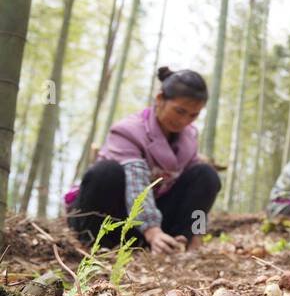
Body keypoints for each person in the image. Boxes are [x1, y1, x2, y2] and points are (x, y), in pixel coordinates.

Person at [66, 67, 221, 255]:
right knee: (106, 172)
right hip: (108, 219)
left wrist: (196, 233)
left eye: (193, 115)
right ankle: (96, 245)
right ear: (160, 99)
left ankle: (179, 242)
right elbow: (136, 184)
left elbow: (199, 197)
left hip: (145, 224)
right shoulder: (129, 131)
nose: (184, 120)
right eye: (179, 111)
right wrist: (152, 231)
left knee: (207, 176)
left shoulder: (189, 138)